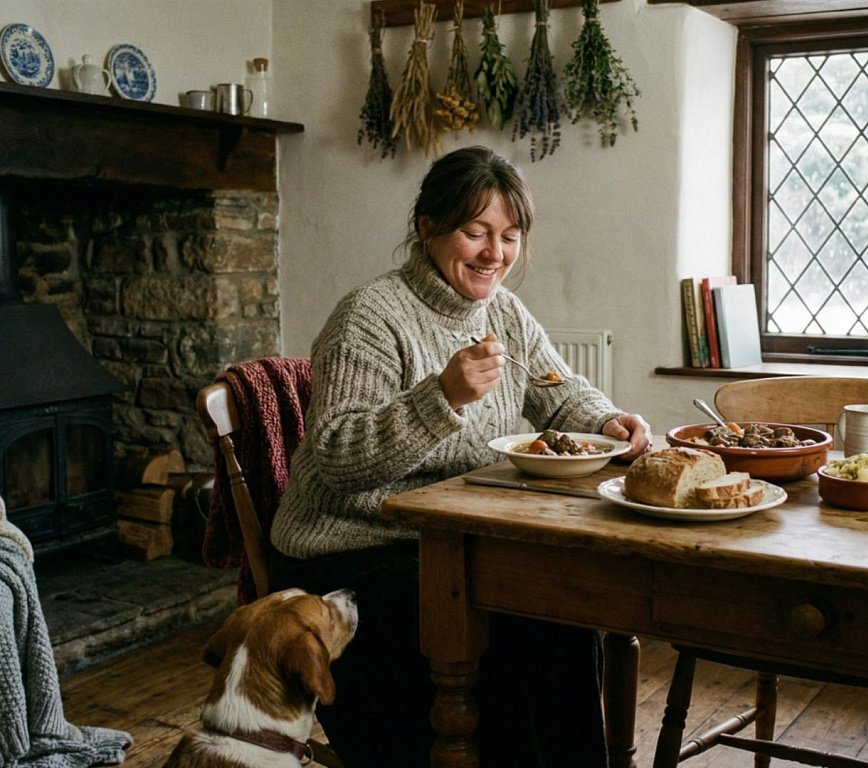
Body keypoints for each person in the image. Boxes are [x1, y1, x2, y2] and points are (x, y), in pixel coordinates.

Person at [269, 145, 651, 768]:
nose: (494, 253)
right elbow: (336, 458)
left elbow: (557, 391)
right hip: (355, 551)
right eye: (475, 232)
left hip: (449, 537)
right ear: (428, 227)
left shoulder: (504, 311)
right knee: (512, 630)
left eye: (510, 236)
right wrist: (440, 396)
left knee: (562, 610)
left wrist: (607, 421)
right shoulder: (369, 315)